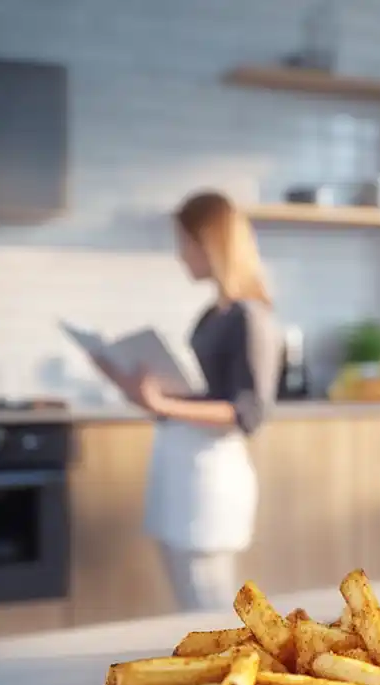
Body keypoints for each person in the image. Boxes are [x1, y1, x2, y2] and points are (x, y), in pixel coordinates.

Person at [95, 191, 283, 611]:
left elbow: (247, 411)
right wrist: (132, 385)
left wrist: (163, 405)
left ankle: (232, 678)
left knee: (210, 604)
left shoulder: (249, 316)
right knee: (188, 598)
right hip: (181, 470)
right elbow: (202, 394)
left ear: (209, 243)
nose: (180, 256)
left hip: (209, 477)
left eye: (184, 243)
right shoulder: (212, 314)